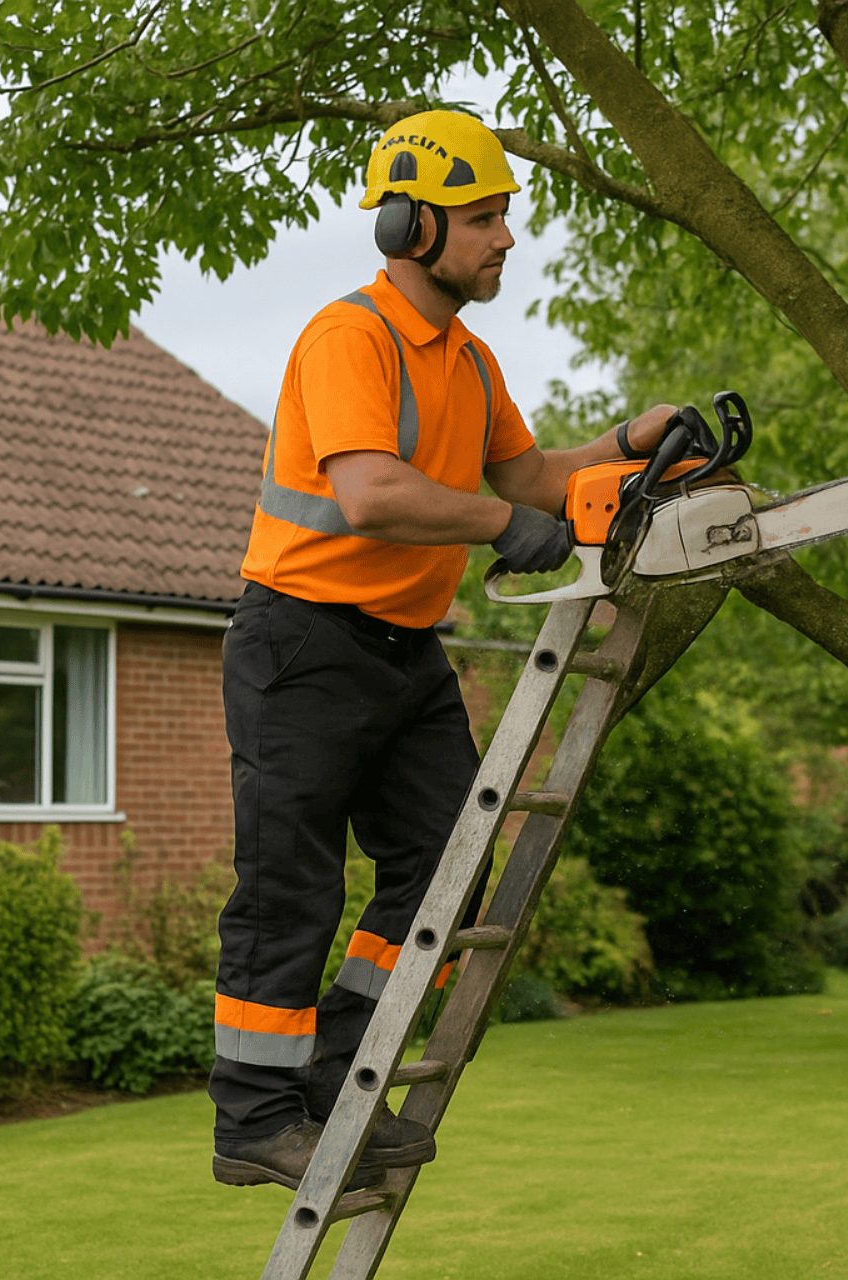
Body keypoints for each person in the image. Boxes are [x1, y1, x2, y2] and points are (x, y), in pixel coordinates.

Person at [211, 108, 677, 1191]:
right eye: (482, 218)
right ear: (409, 227)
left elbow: (528, 479)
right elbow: (372, 492)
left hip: (402, 652)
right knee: (292, 886)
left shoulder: (467, 360)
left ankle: (335, 1067)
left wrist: (626, 447)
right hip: (301, 639)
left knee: (445, 865)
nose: (505, 237)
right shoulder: (350, 338)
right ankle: (253, 1115)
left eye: (506, 215)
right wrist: (496, 527)